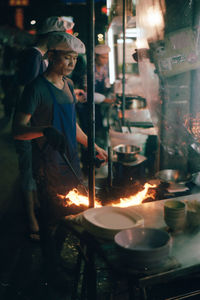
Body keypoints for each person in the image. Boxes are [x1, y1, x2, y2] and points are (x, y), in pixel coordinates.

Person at [12, 31, 108, 286]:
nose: (72, 64)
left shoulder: (68, 85)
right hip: (47, 164)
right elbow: (17, 130)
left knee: (69, 216)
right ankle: (50, 269)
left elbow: (73, 126)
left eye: (75, 59)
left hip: (71, 161)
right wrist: (43, 130)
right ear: (52, 56)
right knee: (50, 219)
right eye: (67, 58)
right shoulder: (36, 89)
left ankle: (53, 259)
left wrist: (94, 145)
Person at [14, 16, 74, 241]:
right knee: (29, 172)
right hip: (30, 123)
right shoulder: (33, 56)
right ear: (50, 38)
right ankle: (32, 221)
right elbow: (30, 93)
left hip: (39, 122)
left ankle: (40, 211)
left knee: (38, 172)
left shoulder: (39, 58)